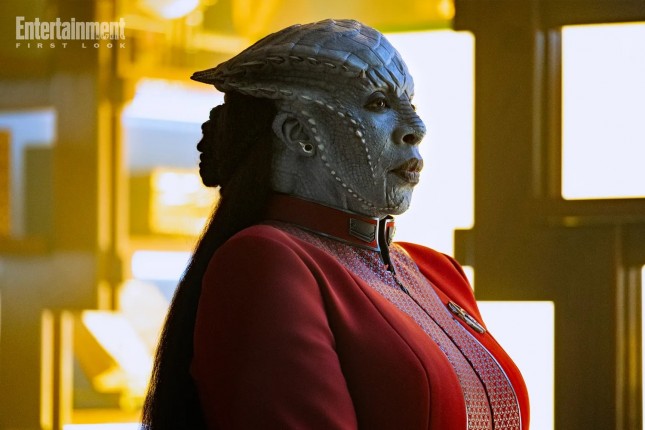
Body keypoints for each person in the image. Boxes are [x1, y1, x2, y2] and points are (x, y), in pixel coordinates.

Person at [142, 19, 529, 430]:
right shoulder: (265, 261)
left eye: (410, 103)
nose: (416, 129)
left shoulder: (438, 272)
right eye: (378, 104)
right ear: (297, 133)